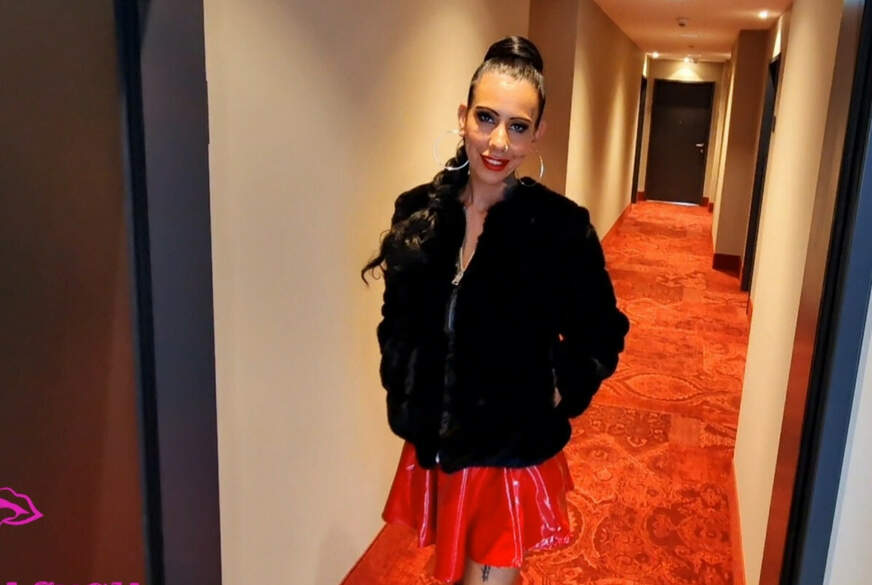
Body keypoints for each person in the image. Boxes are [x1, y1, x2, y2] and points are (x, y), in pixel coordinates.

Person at [361, 36, 630, 585]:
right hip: (436, 444)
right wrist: (402, 375)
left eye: (518, 126)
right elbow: (397, 317)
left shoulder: (558, 228)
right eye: (486, 118)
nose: (498, 141)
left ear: (538, 133)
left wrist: (561, 387)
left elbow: (601, 331)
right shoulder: (420, 210)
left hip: (508, 453)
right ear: (463, 116)